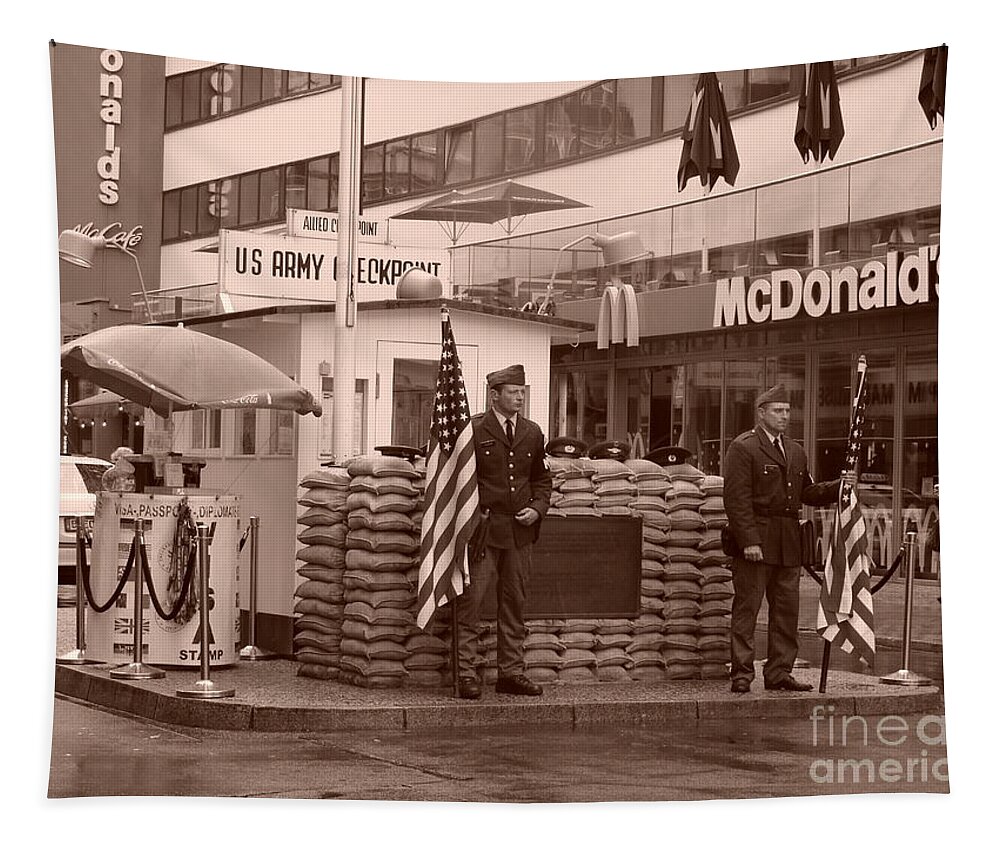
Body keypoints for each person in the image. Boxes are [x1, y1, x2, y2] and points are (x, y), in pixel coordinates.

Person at [723, 385, 855, 694]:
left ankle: (779, 671)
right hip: (757, 538)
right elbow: (736, 499)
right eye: (778, 410)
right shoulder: (744, 447)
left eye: (787, 410)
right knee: (747, 610)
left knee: (786, 612)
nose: (784, 416)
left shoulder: (795, 450)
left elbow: (806, 493)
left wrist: (839, 486)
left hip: (788, 542)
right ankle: (742, 673)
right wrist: (749, 541)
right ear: (761, 413)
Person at [455, 364, 552, 699]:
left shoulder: (532, 432)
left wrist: (537, 508)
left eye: (522, 391)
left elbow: (542, 480)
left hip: (519, 533)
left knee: (514, 603)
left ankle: (510, 672)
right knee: (471, 602)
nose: (520, 397)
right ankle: (466, 673)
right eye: (513, 392)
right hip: (483, 531)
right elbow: (459, 480)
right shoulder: (474, 429)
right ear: (494, 395)